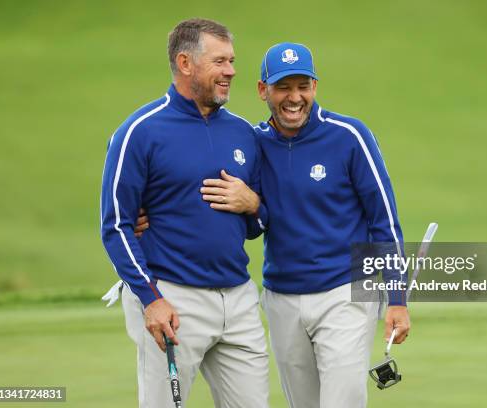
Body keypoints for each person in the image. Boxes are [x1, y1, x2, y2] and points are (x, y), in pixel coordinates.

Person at [137, 42, 410, 407]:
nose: (294, 97)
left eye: (302, 86)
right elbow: (248, 222)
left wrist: (396, 298)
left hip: (346, 291)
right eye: (283, 87)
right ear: (264, 90)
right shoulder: (254, 143)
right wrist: (149, 217)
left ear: (315, 87)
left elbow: (384, 221)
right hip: (282, 297)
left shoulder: (350, 136)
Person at [100, 18, 268, 408]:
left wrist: (254, 205)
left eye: (232, 61)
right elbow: (116, 226)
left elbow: (259, 225)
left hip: (239, 299)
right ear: (186, 62)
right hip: (172, 300)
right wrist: (150, 298)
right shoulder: (139, 132)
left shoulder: (244, 133)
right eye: (220, 61)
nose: (231, 71)